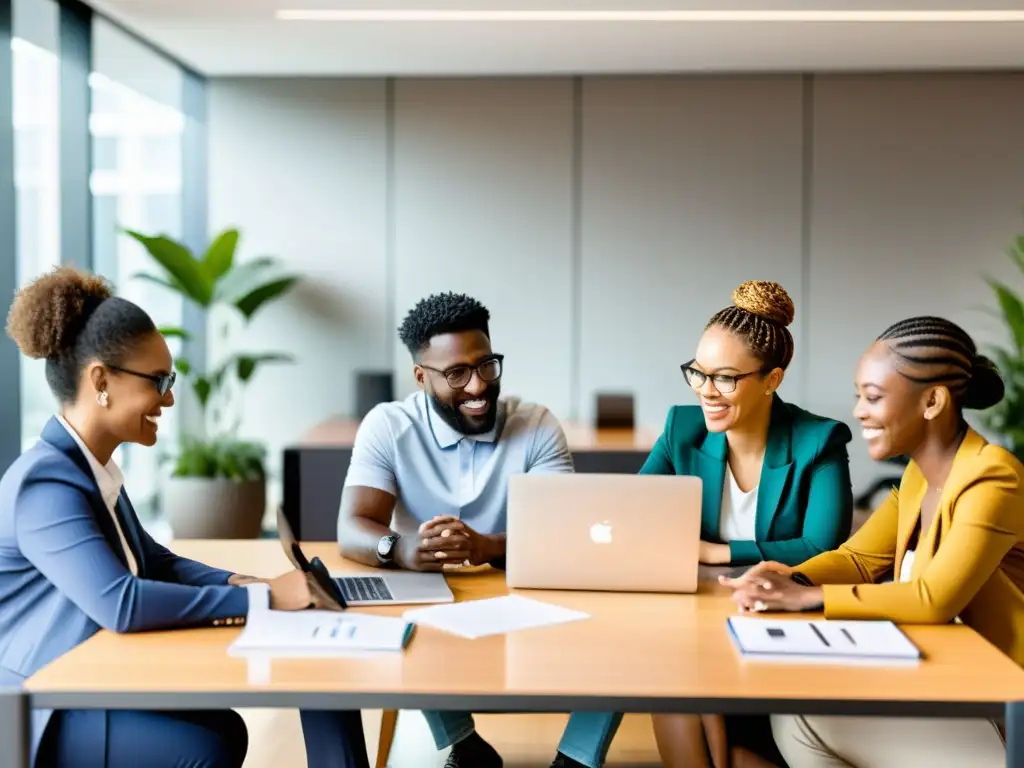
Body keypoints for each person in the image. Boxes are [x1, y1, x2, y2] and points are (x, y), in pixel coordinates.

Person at [0, 267, 368, 768]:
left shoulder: (90, 466)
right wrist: (259, 599)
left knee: (224, 726)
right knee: (206, 745)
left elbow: (153, 560)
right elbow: (121, 603)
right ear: (101, 380)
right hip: (47, 702)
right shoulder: (45, 484)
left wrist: (242, 580)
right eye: (159, 380)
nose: (169, 397)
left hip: (93, 671)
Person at [334, 292, 620, 768]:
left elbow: (563, 534)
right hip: (434, 604)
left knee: (628, 626)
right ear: (421, 376)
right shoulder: (388, 425)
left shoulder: (536, 425)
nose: (476, 386)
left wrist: (486, 546)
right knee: (396, 605)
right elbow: (353, 526)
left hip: (529, 594)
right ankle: (465, 747)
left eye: (486, 365)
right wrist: (400, 549)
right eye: (456, 374)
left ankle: (577, 759)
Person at [725, 315, 1023, 768]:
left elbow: (933, 599)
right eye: (858, 396)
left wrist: (808, 598)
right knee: (783, 709)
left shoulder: (992, 475)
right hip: (950, 680)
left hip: (1004, 709)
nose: (859, 411)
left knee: (804, 715)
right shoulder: (920, 473)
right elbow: (861, 559)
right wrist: (788, 577)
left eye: (874, 397)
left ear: (933, 401)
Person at [641, 281, 855, 768]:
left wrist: (717, 552)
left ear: (772, 379)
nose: (705, 391)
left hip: (777, 616)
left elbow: (822, 546)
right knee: (673, 693)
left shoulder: (818, 442)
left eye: (725, 378)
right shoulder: (682, 427)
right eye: (696, 373)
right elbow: (638, 511)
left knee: (732, 747)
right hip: (698, 616)